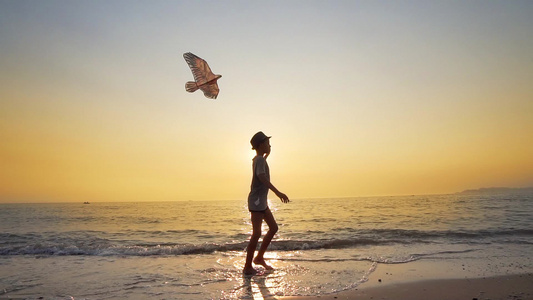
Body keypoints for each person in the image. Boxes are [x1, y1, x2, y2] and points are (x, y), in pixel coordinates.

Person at [243, 131, 290, 275]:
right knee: (256, 233)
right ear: (261, 145)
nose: (270, 146)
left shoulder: (258, 159)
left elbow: (260, 168)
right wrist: (278, 192)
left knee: (273, 228)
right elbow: (262, 177)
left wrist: (266, 155)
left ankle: (259, 257)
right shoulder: (260, 160)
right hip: (257, 202)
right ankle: (247, 267)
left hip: (260, 202)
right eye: (267, 144)